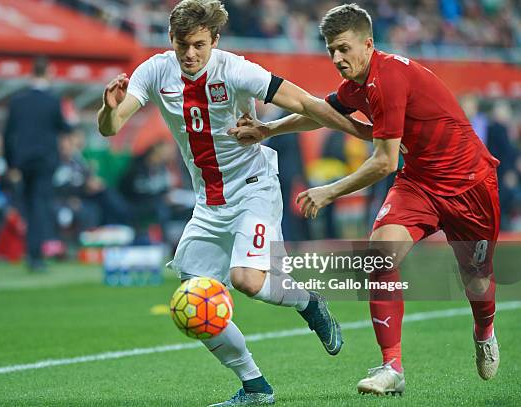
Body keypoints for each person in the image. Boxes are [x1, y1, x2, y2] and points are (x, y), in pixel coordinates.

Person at [97, 1, 372, 405]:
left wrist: (364, 133)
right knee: (193, 300)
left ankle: (310, 302)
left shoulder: (236, 70)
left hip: (253, 188)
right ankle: (254, 386)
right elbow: (112, 127)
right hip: (208, 205)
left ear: (215, 41)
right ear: (170, 40)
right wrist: (108, 107)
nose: (190, 54)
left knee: (247, 280)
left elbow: (306, 104)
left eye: (198, 45)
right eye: (182, 45)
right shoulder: (155, 70)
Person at [230, 3, 501, 397]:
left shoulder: (389, 78)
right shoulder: (358, 84)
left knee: (477, 280)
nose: (337, 59)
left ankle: (484, 331)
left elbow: (385, 161)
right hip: (420, 183)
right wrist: (268, 128)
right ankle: (392, 367)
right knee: (379, 255)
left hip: (470, 185)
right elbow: (321, 113)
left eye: (343, 48)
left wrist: (329, 190)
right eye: (330, 51)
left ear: (368, 43)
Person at [3, 56, 71, 272]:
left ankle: (31, 252)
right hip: (44, 161)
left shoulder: (17, 101)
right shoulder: (52, 101)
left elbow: (7, 135)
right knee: (40, 207)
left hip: (22, 162)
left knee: (29, 206)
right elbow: (64, 128)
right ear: (48, 73)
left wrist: (10, 163)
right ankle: (35, 256)